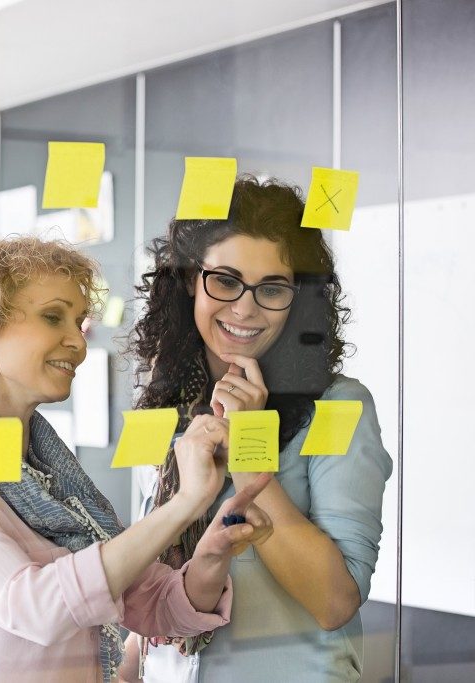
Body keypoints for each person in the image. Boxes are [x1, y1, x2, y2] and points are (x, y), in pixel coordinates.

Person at [0, 237, 273, 682]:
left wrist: (211, 554)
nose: (79, 342)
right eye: (53, 317)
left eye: (79, 321)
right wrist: (183, 504)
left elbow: (154, 606)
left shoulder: (46, 475)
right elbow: (36, 610)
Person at [121, 176, 393, 682]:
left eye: (271, 289)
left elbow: (335, 602)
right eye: (225, 280)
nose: (245, 309)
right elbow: (154, 563)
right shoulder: (161, 407)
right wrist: (126, 670)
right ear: (188, 281)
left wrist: (250, 450)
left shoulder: (339, 404)